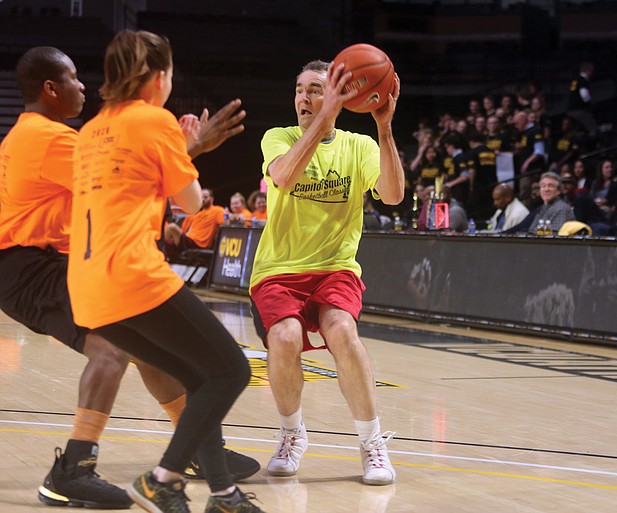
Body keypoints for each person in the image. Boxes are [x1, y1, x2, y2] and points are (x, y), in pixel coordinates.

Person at [0, 46, 258, 511]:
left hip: (40, 262)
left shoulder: (38, 133)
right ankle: (73, 470)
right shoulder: (49, 139)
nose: (82, 86)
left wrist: (176, 148)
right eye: (73, 78)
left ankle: (198, 448)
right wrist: (188, 148)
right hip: (29, 264)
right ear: (50, 88)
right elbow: (125, 177)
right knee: (114, 348)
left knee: (144, 348)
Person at [249, 59, 403, 485]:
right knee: (283, 337)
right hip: (278, 269)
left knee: (342, 330)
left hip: (335, 267)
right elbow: (282, 176)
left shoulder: (358, 147)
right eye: (300, 89)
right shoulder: (278, 138)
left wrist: (384, 129)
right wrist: (323, 119)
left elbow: (392, 195)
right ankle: (292, 433)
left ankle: (372, 442)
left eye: (316, 89)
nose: (304, 97)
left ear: (340, 97)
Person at [505, 172, 575, 235]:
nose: (546, 189)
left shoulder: (562, 208)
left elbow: (553, 237)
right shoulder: (542, 208)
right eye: (543, 186)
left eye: (550, 186)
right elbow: (531, 231)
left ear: (558, 191)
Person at [164, 188, 225, 257]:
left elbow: (228, 219)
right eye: (201, 197)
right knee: (167, 237)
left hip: (198, 243)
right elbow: (183, 230)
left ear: (212, 199)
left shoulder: (217, 211)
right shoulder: (196, 214)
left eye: (205, 197)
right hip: (189, 240)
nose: (203, 199)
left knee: (172, 227)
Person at [567, 61, 597, 138]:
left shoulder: (575, 80)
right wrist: (590, 104)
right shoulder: (583, 80)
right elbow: (584, 95)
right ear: (588, 70)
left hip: (571, 109)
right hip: (579, 110)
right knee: (592, 127)